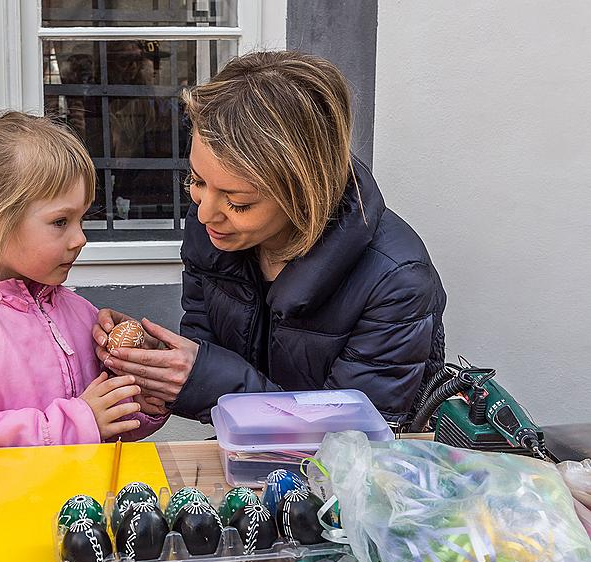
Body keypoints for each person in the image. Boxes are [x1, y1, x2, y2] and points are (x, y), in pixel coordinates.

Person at [93, 51, 447, 427]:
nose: (203, 214)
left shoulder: (396, 279)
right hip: (249, 460)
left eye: (238, 201)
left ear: (305, 190)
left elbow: (351, 439)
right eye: (197, 181)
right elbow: (209, 350)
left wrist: (203, 378)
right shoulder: (213, 230)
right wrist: (160, 362)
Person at [0, 111, 168, 448]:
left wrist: (141, 395)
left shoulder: (77, 311)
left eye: (81, 218)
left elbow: (105, 424)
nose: (80, 238)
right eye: (60, 222)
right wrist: (76, 422)